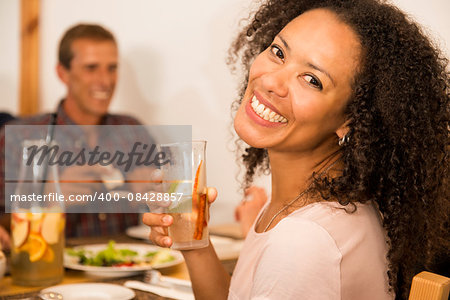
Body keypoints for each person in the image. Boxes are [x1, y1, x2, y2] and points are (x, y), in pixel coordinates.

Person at [143, 0, 449, 299]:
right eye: (278, 52)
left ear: (352, 119)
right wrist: (194, 242)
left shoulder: (303, 240)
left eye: (312, 80)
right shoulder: (305, 202)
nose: (272, 81)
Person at [0, 24, 150, 245]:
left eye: (112, 68)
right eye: (91, 68)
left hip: (129, 268)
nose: (106, 81)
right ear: (63, 73)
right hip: (56, 272)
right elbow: (3, 228)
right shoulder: (19, 137)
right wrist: (48, 199)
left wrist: (159, 192)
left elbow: (169, 206)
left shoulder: (132, 131)